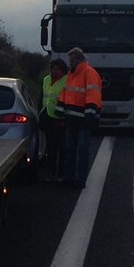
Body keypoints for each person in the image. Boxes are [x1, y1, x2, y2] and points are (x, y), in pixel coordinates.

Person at [54, 47, 102, 190]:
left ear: (80, 60)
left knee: (82, 150)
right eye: (70, 61)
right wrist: (60, 110)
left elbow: (93, 94)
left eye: (73, 60)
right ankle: (70, 177)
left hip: (83, 120)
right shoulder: (72, 74)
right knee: (70, 149)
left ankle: (80, 179)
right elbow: (65, 93)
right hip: (72, 119)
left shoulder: (88, 73)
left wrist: (90, 112)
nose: (71, 63)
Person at [40, 58, 68, 183]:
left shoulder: (67, 81)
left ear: (63, 70)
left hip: (60, 118)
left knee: (61, 148)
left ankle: (61, 173)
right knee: (50, 147)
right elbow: (43, 96)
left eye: (57, 69)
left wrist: (63, 117)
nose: (54, 71)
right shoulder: (46, 79)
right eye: (53, 69)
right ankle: (50, 172)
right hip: (48, 116)